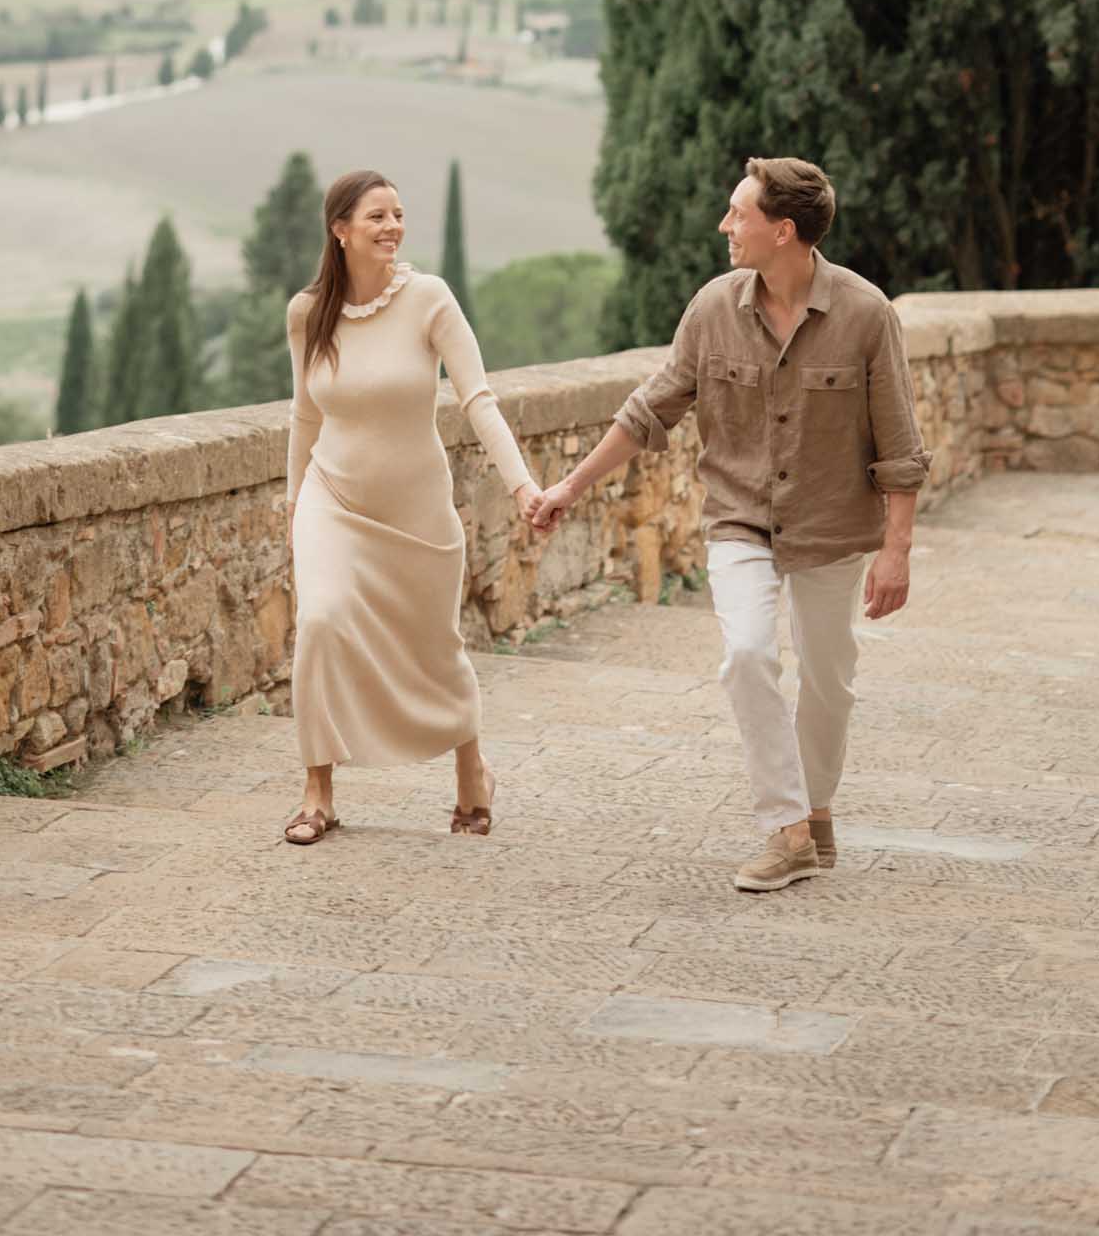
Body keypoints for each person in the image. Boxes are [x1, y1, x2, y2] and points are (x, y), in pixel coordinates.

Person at [533, 156, 927, 893]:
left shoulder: (867, 315)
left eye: (738, 213)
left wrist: (896, 553)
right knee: (747, 653)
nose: (725, 225)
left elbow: (900, 451)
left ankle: (815, 809)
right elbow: (649, 411)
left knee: (830, 682)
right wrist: (570, 485)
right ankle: (786, 829)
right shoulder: (713, 308)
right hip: (740, 517)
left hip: (833, 525)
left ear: (783, 231)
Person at [283, 167, 542, 845]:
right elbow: (304, 417)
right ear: (340, 230)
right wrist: (292, 499)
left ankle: (470, 771)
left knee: (435, 648)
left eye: (398, 214)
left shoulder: (429, 299)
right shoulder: (307, 313)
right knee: (320, 622)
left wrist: (521, 484)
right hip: (331, 498)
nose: (393, 227)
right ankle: (317, 791)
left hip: (417, 508)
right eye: (377, 217)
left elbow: (477, 398)